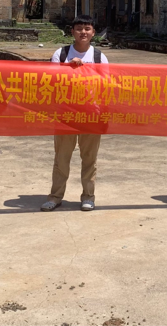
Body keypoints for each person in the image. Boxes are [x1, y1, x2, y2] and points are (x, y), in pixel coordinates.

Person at [40, 14, 109, 212]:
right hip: (66, 114)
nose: (83, 32)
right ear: (72, 32)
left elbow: (106, 85)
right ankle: (55, 197)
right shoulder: (61, 55)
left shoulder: (99, 57)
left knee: (89, 159)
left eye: (87, 29)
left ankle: (88, 197)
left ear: (93, 33)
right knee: (61, 158)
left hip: (91, 115)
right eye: (79, 29)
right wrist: (68, 69)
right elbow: (51, 81)